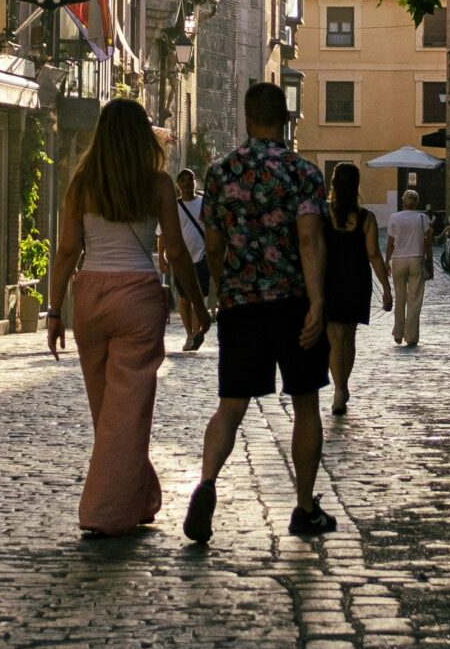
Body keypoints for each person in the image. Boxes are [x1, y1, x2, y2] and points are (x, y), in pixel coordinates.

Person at [45, 99, 208, 537]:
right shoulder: (156, 184)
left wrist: (55, 310)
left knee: (109, 412)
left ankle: (139, 496)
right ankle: (103, 512)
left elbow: (67, 250)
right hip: (138, 298)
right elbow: (176, 252)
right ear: (141, 137)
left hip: (90, 299)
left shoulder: (83, 183)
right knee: (127, 413)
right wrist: (199, 306)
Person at [185, 82, 334, 544]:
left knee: (231, 406)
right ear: (286, 119)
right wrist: (317, 301)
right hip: (292, 302)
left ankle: (207, 483)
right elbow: (308, 238)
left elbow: (213, 246)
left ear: (247, 119)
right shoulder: (303, 173)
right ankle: (304, 506)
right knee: (306, 403)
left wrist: (223, 289)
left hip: (241, 305)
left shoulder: (221, 172)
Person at [321, 162, 392, 415]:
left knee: (333, 339)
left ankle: (339, 389)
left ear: (333, 184)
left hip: (328, 281)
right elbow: (373, 254)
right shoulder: (366, 218)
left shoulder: (322, 214)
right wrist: (386, 288)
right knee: (349, 337)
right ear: (356, 186)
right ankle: (343, 386)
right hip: (356, 281)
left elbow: (311, 248)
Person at [386, 188, 433, 347]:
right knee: (415, 298)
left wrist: (386, 261)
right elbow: (428, 242)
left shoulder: (394, 217)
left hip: (398, 259)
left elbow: (390, 242)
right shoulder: (423, 218)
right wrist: (430, 260)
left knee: (400, 296)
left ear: (403, 201)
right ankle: (411, 335)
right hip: (416, 258)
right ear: (416, 203)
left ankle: (398, 333)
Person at [172, 166, 211, 351]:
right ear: (178, 185)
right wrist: (163, 256)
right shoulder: (174, 207)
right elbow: (163, 233)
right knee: (185, 298)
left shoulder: (204, 203)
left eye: (190, 180)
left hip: (202, 257)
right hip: (181, 258)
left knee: (199, 297)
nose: (187, 183)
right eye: (183, 180)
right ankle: (189, 333)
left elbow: (212, 228)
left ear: (195, 182)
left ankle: (196, 334)